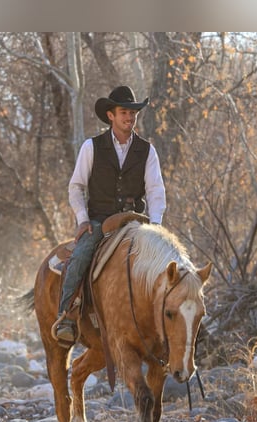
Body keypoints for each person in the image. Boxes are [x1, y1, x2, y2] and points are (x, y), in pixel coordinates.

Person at [52, 85, 166, 344]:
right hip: (99, 221)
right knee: (80, 255)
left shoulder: (147, 151)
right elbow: (76, 186)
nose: (129, 117)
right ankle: (67, 315)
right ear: (111, 115)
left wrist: (157, 227)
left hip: (135, 222)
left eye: (133, 113)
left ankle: (171, 320)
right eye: (124, 112)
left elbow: (156, 191)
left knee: (164, 262)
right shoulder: (91, 147)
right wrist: (82, 219)